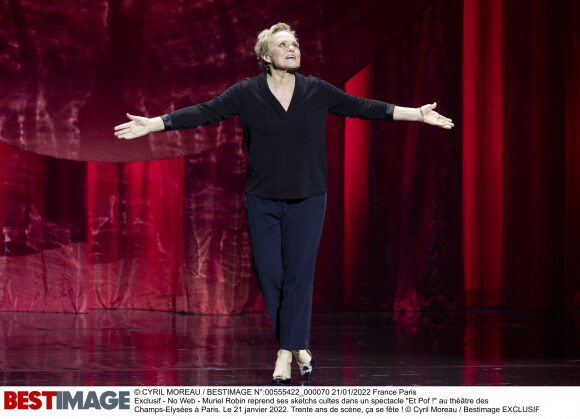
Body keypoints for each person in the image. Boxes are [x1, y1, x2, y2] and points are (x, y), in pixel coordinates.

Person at [114, 22, 454, 385]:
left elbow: (364, 107)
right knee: (270, 276)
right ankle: (300, 347)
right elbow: (204, 112)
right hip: (262, 200)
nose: (292, 48)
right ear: (265, 55)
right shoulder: (247, 92)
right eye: (282, 44)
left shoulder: (316, 90)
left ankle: (284, 354)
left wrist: (417, 113)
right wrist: (155, 124)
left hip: (308, 199)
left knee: (297, 278)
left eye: (294, 43)